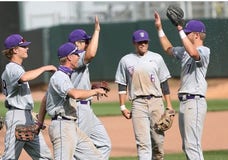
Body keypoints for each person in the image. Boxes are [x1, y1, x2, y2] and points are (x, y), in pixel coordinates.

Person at [154, 12, 210, 160]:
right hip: (185, 102)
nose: (185, 35)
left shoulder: (204, 51)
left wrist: (179, 29)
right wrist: (159, 28)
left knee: (193, 145)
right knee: (187, 145)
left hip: (195, 101)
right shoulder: (185, 51)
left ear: (196, 35)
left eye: (187, 33)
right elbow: (169, 49)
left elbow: (194, 53)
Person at [115, 29, 174, 160]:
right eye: (139, 42)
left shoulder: (157, 58)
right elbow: (122, 84)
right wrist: (122, 106)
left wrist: (169, 105)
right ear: (134, 43)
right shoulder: (126, 60)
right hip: (138, 103)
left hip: (156, 102)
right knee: (142, 143)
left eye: (145, 42)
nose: (142, 44)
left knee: (158, 141)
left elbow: (164, 82)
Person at [45, 42, 106, 160]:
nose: (79, 57)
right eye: (76, 54)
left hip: (71, 125)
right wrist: (95, 91)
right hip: (62, 127)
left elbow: (45, 99)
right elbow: (75, 94)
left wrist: (90, 89)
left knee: (96, 157)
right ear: (69, 57)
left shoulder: (66, 76)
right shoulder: (59, 76)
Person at [0, 34, 56, 160]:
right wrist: (45, 68)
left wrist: (29, 113)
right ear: (15, 50)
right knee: (9, 158)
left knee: (45, 157)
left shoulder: (16, 68)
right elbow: (24, 77)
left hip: (26, 117)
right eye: (23, 46)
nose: (27, 48)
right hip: (17, 117)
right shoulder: (12, 67)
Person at [67, 16, 111, 159]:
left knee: (104, 144)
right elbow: (91, 54)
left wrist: (90, 88)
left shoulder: (76, 59)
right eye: (86, 41)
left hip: (87, 109)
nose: (87, 44)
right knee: (77, 148)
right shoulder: (74, 58)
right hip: (78, 108)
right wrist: (97, 30)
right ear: (77, 44)